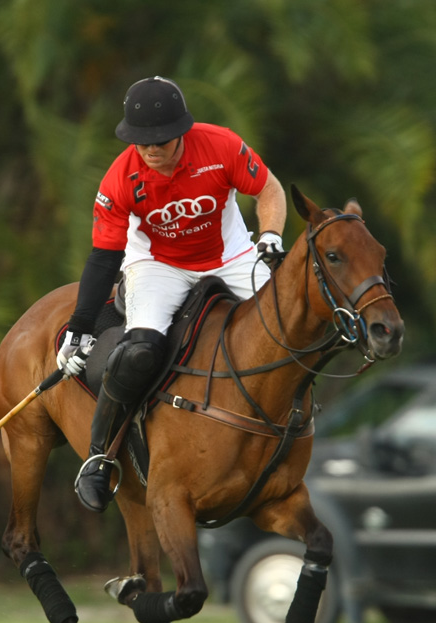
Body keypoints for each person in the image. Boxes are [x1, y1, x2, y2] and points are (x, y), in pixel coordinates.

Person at [57, 75, 287, 513]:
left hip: (232, 256)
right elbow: (104, 257)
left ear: (181, 132)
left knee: (286, 323)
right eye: (141, 141)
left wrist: (272, 234)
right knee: (139, 350)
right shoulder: (120, 178)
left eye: (160, 140)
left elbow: (269, 189)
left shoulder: (221, 146)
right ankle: (99, 456)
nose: (151, 149)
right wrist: (80, 328)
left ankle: (296, 425)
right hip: (158, 265)